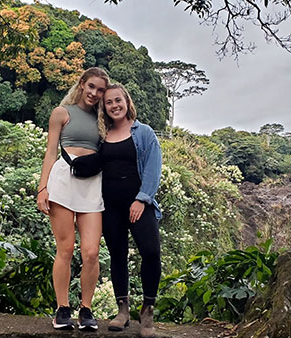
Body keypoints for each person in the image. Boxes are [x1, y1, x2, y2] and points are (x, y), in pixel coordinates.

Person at [36, 67, 109, 331]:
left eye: (100, 90)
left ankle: (86, 309)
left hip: (92, 183)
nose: (95, 93)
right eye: (91, 87)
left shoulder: (104, 119)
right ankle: (62, 309)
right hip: (64, 180)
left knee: (91, 252)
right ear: (81, 84)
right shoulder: (61, 113)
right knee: (65, 249)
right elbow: (50, 152)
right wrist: (43, 188)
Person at [99, 83, 162, 338]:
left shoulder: (144, 132)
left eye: (118, 100)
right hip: (109, 206)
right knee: (118, 255)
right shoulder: (102, 135)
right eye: (109, 103)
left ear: (127, 101)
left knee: (151, 252)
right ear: (104, 108)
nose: (114, 106)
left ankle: (147, 311)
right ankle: (122, 310)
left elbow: (153, 167)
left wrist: (142, 199)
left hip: (138, 202)